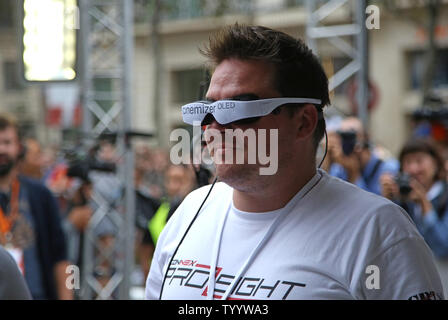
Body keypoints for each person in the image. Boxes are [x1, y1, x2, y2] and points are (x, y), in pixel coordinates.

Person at [145, 24, 443, 300]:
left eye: (237, 110)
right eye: (207, 111)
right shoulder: (190, 212)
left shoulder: (378, 231)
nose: (215, 127)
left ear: (303, 122)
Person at [0, 113, 72, 299]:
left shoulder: (40, 195)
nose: (1, 149)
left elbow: (61, 258)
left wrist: (67, 295)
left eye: (7, 143)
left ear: (19, 148)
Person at [380, 138, 448, 296]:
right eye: (408, 162)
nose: (413, 168)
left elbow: (442, 247)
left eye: (419, 161)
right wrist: (386, 202)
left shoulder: (445, 196)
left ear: (436, 163)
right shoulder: (401, 200)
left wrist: (424, 204)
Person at [327, 116, 399, 195]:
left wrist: (354, 175)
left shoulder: (387, 167)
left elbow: (375, 204)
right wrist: (328, 160)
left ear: (366, 138)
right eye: (343, 137)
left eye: (352, 136)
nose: (348, 143)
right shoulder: (340, 166)